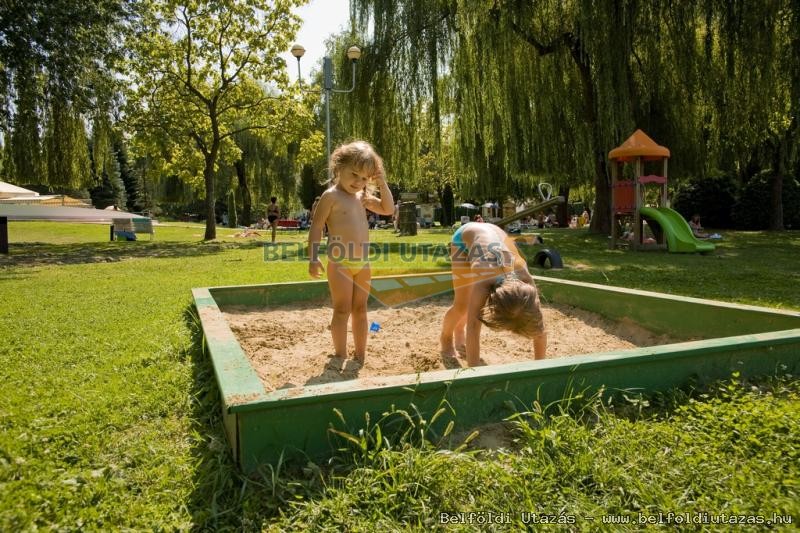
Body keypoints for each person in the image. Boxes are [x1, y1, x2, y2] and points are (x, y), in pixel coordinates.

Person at [308, 141, 394, 362]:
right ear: (339, 168)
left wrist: (382, 183)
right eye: (354, 174)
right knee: (342, 309)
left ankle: (361, 354)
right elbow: (317, 226)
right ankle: (340, 354)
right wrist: (313, 257)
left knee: (361, 309)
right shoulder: (331, 196)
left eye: (364, 178)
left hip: (362, 263)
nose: (358, 182)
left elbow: (388, 209)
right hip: (340, 263)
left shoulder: (362, 197)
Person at [440, 222, 546, 367]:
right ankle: (446, 338)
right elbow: (473, 325)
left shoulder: (526, 280)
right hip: (463, 241)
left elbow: (539, 325)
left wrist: (540, 366)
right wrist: (475, 371)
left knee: (466, 308)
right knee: (462, 306)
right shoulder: (485, 279)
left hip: (494, 233)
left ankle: (458, 332)